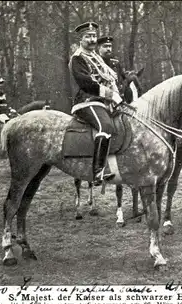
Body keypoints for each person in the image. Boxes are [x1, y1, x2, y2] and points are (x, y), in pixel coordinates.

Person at [68, 22, 123, 186]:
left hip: (103, 103)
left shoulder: (96, 57)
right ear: (81, 39)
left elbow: (109, 79)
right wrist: (111, 95)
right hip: (86, 102)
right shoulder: (78, 58)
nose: (92, 40)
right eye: (88, 37)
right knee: (105, 126)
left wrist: (118, 97)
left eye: (93, 36)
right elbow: (86, 84)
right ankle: (98, 171)